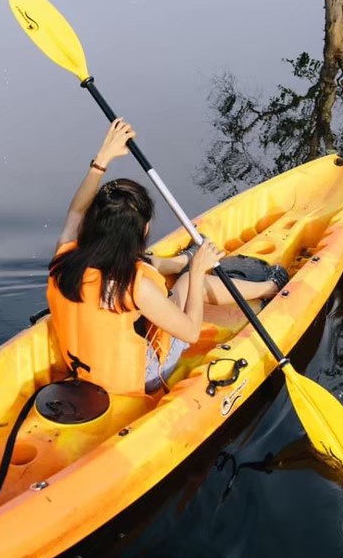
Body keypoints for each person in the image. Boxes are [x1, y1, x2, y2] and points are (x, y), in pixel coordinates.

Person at [46, 119, 232, 396]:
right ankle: (270, 286)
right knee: (181, 285)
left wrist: (102, 160)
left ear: (94, 221)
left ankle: (184, 260)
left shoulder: (63, 256)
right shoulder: (134, 285)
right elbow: (191, 333)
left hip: (82, 370)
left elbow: (75, 211)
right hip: (135, 379)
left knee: (152, 265)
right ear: (143, 229)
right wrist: (197, 272)